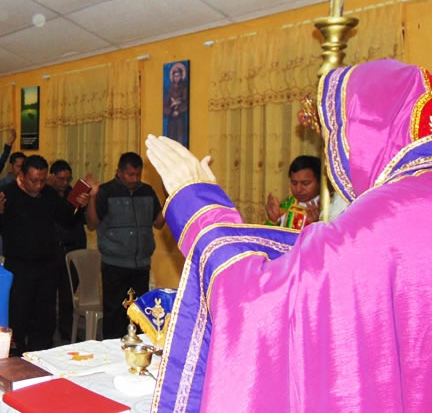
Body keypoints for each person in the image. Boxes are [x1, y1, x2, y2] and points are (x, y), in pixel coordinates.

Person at [144, 59, 432, 412]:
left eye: (336, 137)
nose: (335, 154)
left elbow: (261, 303)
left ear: (368, 131)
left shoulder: (389, 210)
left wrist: (198, 204)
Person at [0, 155, 89, 353]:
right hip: (19, 267)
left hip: (47, 266)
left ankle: (41, 356)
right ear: (21, 176)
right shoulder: (5, 194)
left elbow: (67, 221)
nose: (38, 186)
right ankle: (16, 356)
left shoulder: (48, 194)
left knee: (45, 318)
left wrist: (79, 206)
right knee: (18, 315)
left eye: (42, 181)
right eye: (33, 181)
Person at [86, 152, 165, 339]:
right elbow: (92, 224)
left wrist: (170, 197)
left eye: (138, 174)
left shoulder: (147, 191)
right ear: (119, 172)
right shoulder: (105, 192)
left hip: (141, 265)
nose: (135, 179)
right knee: (114, 315)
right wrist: (92, 198)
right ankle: (112, 350)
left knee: (140, 315)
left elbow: (159, 223)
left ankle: (136, 350)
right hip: (114, 265)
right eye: (130, 175)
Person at [46, 159, 87, 340]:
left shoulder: (74, 194)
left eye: (68, 179)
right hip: (53, 250)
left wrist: (84, 205)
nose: (65, 183)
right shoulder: (45, 195)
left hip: (73, 248)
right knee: (48, 294)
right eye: (61, 179)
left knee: (68, 294)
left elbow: (82, 221)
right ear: (52, 177)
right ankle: (47, 331)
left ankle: (66, 331)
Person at [265, 155, 320, 228]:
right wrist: (273, 221)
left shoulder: (329, 209)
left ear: (320, 182)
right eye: (294, 183)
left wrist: (318, 225)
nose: (298, 189)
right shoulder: (286, 206)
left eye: (305, 183)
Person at [164, 62, 189, 146]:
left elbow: (185, 103)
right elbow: (166, 104)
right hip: (171, 118)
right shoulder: (170, 88)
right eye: (175, 76)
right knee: (170, 139)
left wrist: (178, 111)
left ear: (181, 76)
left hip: (179, 118)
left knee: (179, 140)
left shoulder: (184, 87)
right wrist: (172, 106)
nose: (176, 78)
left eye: (178, 76)